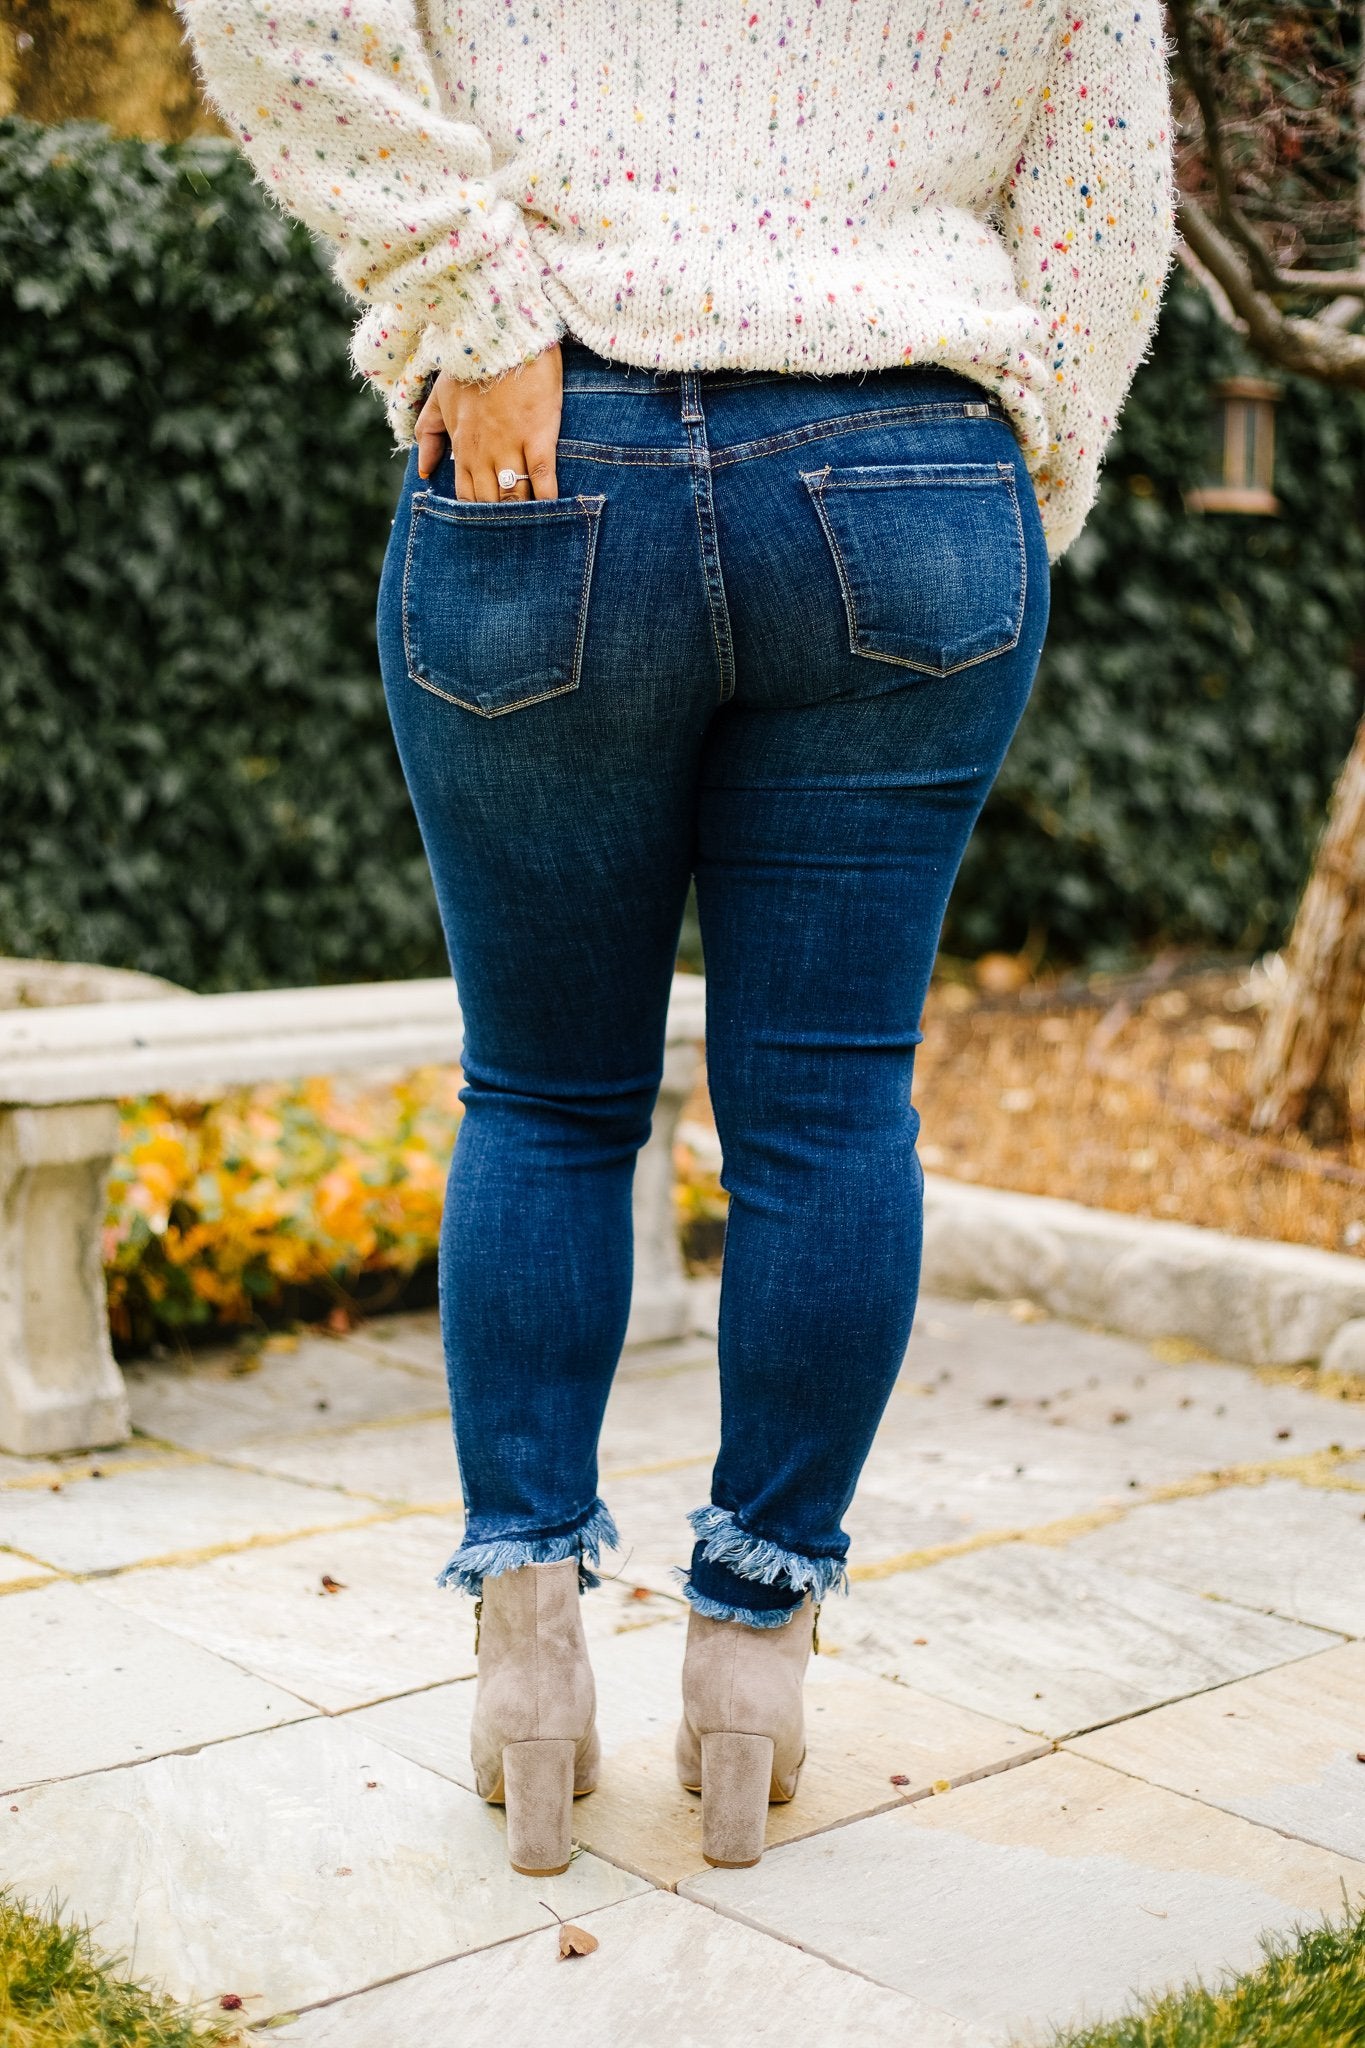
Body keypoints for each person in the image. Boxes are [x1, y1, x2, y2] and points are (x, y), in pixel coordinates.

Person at [180, 1, 1176, 1877]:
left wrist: (474, 305)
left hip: (548, 445)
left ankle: (528, 1660)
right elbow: (1105, 191)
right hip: (910, 452)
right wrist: (1011, 477)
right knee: (827, 1110)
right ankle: (752, 1667)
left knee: (547, 1099)